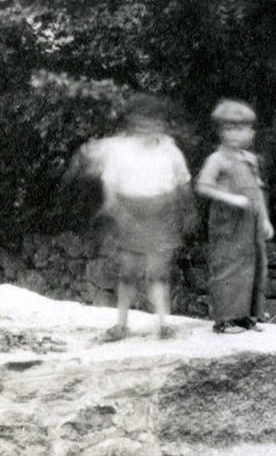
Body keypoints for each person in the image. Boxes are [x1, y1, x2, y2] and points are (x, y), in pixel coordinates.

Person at [75, 99, 192, 341]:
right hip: (131, 212)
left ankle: (163, 324)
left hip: (161, 212)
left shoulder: (169, 150)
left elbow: (183, 181)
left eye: (153, 122)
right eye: (142, 122)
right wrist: (113, 207)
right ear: (134, 123)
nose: (147, 127)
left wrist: (188, 209)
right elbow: (109, 181)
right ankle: (121, 324)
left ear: (161, 124)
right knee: (128, 271)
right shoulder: (122, 149)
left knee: (158, 272)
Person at [193, 99, 272, 333]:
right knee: (228, 267)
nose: (238, 134)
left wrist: (266, 219)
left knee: (254, 265)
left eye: (243, 128)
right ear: (222, 131)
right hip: (227, 224)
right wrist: (231, 198)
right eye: (231, 128)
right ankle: (225, 320)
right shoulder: (217, 160)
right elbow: (203, 187)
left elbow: (258, 192)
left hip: (251, 222)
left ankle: (248, 316)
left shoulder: (251, 160)